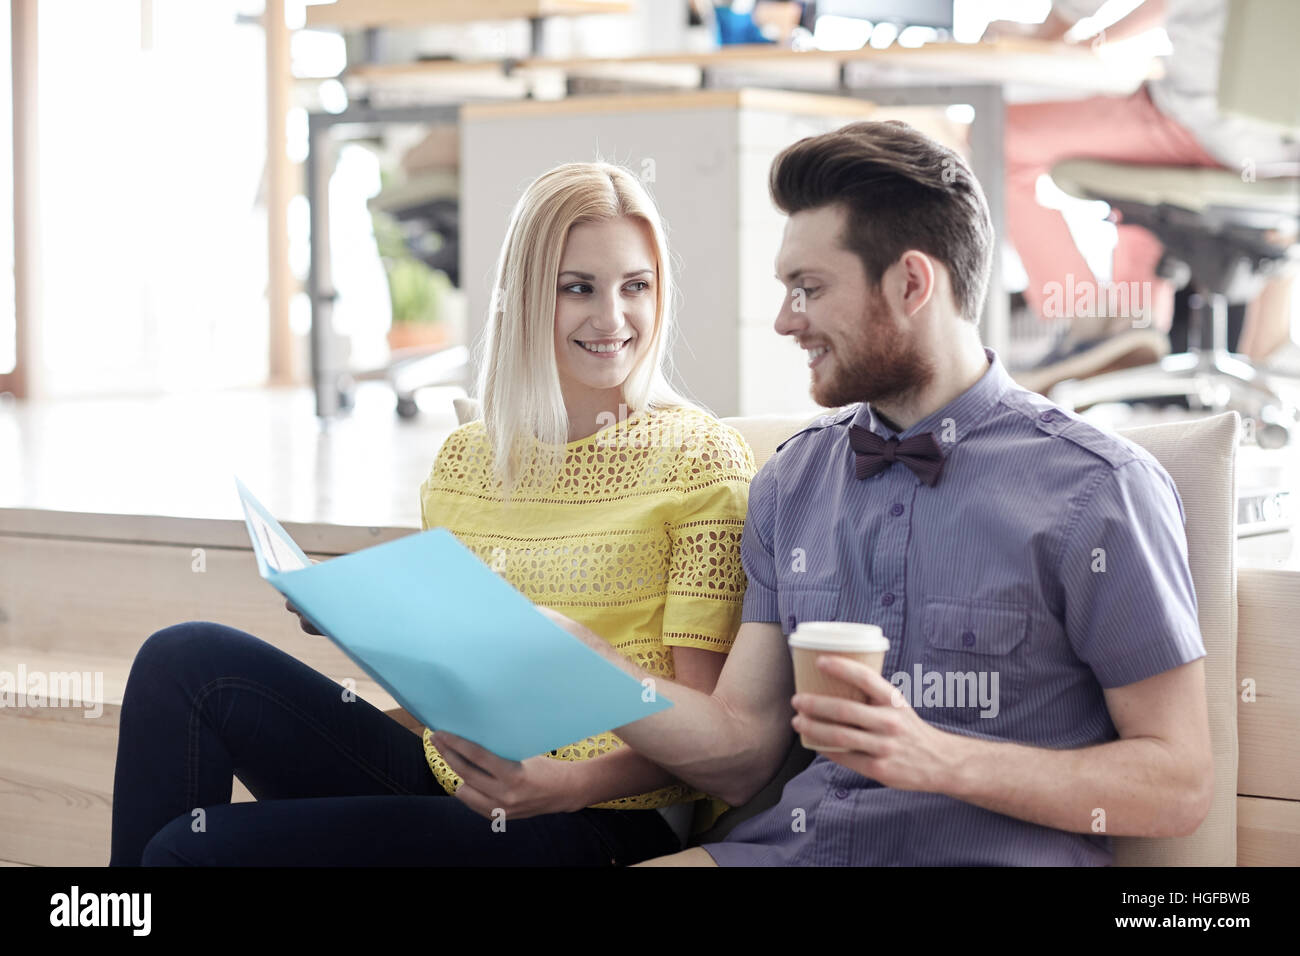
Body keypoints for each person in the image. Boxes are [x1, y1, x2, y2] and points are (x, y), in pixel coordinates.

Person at [520, 120, 1213, 866]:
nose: (787, 320)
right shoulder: (793, 481)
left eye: (809, 289)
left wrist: (939, 758)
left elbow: (1177, 782)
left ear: (911, 283)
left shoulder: (1097, 490)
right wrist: (590, 664)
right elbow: (744, 751)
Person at [108, 162, 756, 866]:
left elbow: (707, 734)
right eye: (578, 288)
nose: (612, 317)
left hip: (599, 817)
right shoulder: (466, 462)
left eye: (636, 286)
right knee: (185, 658)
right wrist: (364, 620)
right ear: (526, 297)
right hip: (457, 774)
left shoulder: (699, 460)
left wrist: (562, 785)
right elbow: (451, 681)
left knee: (187, 852)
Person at [987, 0, 1300, 394]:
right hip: (1283, 157)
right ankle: (1134, 330)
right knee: (1136, 177)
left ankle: (1088, 320)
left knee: (995, 134)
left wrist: (1052, 32)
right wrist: (1099, 39)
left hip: (1203, 126)